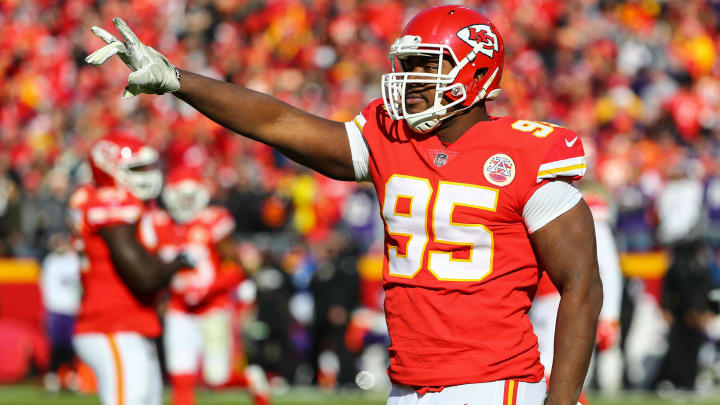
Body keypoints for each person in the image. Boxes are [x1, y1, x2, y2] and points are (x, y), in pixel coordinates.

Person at [86, 5, 603, 405]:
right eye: (407, 65)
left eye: (428, 66)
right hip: (410, 384)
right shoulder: (390, 136)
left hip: (499, 385)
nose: (412, 81)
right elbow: (277, 123)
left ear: (477, 74)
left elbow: (580, 284)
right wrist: (179, 80)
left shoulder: (529, 152)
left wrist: (560, 399)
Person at [68, 132, 192, 405]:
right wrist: (179, 263)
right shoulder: (111, 202)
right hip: (111, 326)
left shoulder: (133, 205)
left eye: (148, 167)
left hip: (131, 326)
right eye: (136, 168)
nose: (147, 175)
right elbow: (144, 278)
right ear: (109, 170)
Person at [145, 166, 270, 405]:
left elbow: (237, 267)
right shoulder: (159, 223)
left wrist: (209, 288)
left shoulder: (213, 220)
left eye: (190, 197)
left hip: (213, 306)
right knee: (180, 375)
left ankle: (251, 380)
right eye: (180, 197)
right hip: (178, 307)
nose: (185, 203)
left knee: (217, 377)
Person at [529, 181, 624, 402]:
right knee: (546, 371)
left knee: (561, 375)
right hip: (542, 300)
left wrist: (610, 316)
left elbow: (607, 267)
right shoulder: (540, 195)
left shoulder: (579, 204)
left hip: (566, 299)